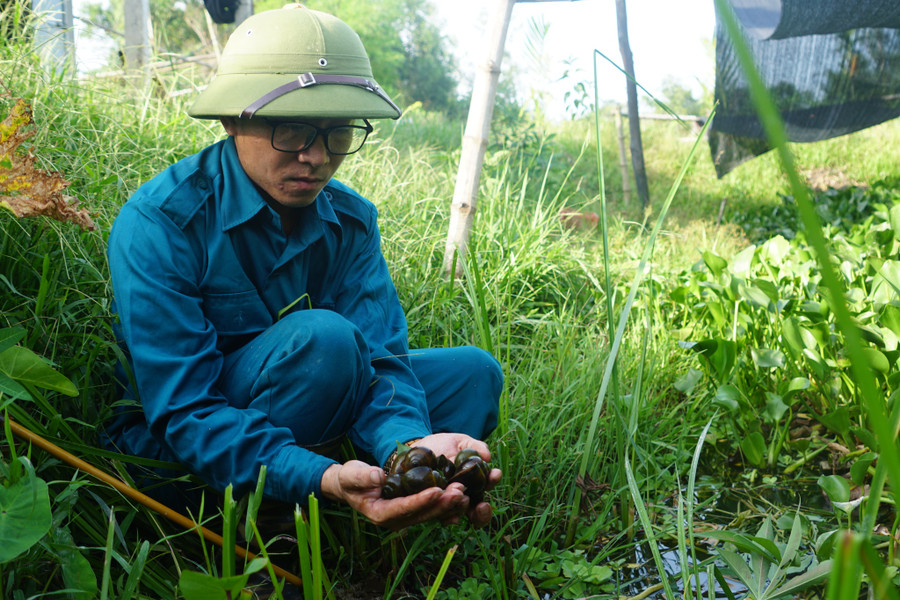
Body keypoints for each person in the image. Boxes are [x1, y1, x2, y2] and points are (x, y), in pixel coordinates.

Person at [105, 4, 503, 531]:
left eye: (338, 134)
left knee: (473, 374)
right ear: (232, 119)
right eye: (292, 131)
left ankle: (387, 485)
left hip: (313, 391)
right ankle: (280, 522)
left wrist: (407, 446)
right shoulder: (161, 224)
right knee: (325, 341)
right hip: (181, 448)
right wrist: (320, 474)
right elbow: (184, 410)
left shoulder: (352, 221)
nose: (315, 156)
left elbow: (383, 359)